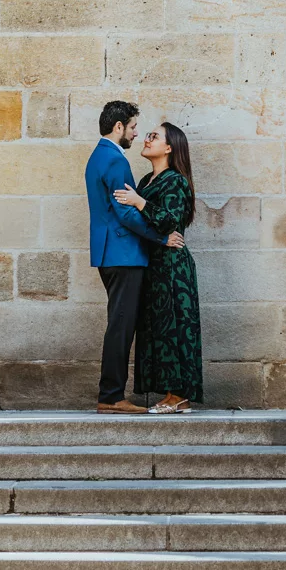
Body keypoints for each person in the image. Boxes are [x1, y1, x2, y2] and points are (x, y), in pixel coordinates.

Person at [85, 101, 184, 414]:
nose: (136, 133)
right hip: (124, 254)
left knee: (120, 323)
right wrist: (160, 236)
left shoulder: (97, 156)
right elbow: (125, 212)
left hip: (109, 253)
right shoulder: (115, 160)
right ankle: (112, 396)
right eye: (132, 128)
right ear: (118, 127)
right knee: (121, 326)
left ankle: (111, 394)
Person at [114, 123, 203, 414]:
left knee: (174, 327)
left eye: (154, 136)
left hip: (173, 267)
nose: (147, 139)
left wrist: (139, 202)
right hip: (153, 265)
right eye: (148, 134)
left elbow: (170, 219)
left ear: (169, 148)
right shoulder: (146, 180)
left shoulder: (175, 180)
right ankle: (170, 395)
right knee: (157, 329)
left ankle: (178, 397)